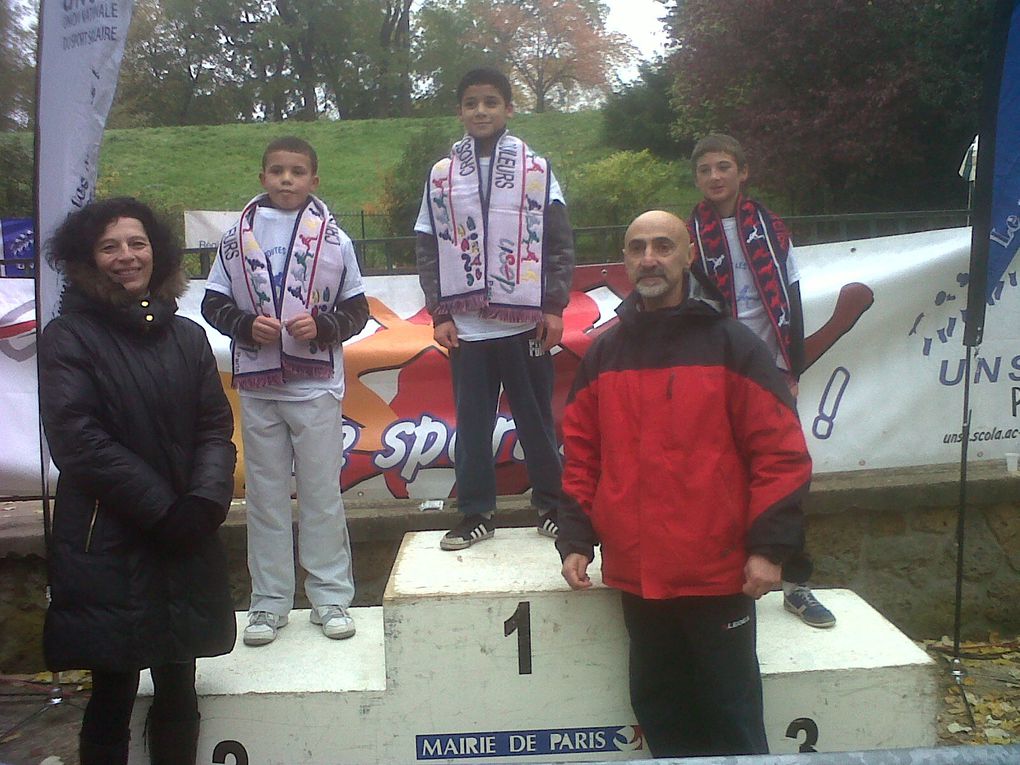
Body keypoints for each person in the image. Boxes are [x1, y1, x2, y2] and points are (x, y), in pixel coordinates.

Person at [557, 210, 812, 758]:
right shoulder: (604, 352)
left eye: (663, 246)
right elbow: (581, 455)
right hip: (637, 576)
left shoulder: (734, 346)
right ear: (624, 261)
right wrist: (576, 539)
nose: (649, 258)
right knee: (660, 712)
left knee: (733, 719)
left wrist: (769, 550)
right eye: (637, 248)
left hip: (718, 576)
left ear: (687, 256)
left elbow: (782, 454)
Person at [39, 198, 237, 764]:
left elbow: (213, 427)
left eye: (136, 243)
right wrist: (163, 509)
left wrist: (202, 503)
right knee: (114, 689)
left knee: (180, 682)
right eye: (109, 246)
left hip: (186, 531)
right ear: (87, 259)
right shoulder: (69, 337)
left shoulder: (187, 337)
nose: (126, 257)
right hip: (110, 539)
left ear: (157, 251)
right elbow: (79, 441)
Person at [202, 136, 369, 646]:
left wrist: (322, 326)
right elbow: (212, 303)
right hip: (257, 386)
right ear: (262, 177)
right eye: (277, 171)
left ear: (314, 180)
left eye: (297, 172)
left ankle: (331, 596)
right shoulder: (235, 239)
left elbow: (357, 311)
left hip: (315, 385)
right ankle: (268, 603)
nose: (287, 180)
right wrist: (245, 324)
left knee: (321, 496)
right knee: (265, 498)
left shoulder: (336, 240)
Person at [414, 67, 575, 550]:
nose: (480, 111)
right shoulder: (442, 175)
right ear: (459, 111)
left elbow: (559, 243)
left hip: (525, 322)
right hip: (468, 326)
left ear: (509, 108)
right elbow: (427, 244)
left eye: (490, 102)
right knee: (473, 423)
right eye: (470, 103)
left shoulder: (536, 168)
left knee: (536, 420)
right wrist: (440, 313)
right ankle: (476, 513)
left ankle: (551, 505)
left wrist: (552, 306)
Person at [687, 133, 835, 629]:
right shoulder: (688, 233)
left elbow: (790, 297)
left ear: (742, 172)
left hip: (771, 369)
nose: (714, 176)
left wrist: (791, 368)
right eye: (705, 169)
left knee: (786, 476)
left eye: (723, 166)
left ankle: (797, 584)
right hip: (720, 371)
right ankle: (725, 578)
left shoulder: (771, 227)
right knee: (719, 477)